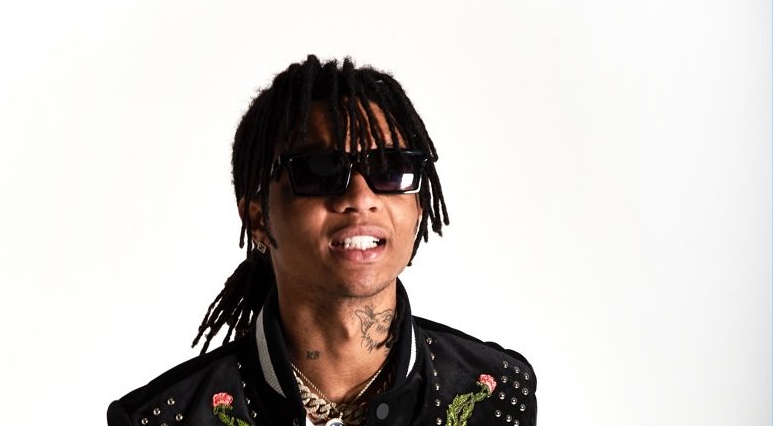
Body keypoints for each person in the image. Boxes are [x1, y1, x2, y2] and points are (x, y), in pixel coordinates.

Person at [107, 55, 537, 426]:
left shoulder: (496, 392)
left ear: (419, 207)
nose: (361, 198)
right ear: (258, 218)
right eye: (319, 171)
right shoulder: (167, 417)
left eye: (390, 169)